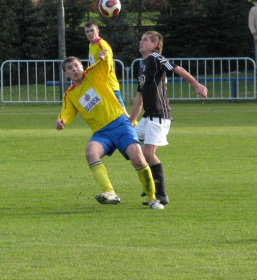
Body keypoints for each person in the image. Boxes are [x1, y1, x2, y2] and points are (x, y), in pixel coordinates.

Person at [55, 52, 164, 210]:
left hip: (120, 124)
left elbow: (105, 65)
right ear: (66, 74)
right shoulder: (70, 95)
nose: (74, 69)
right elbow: (66, 113)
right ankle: (110, 192)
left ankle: (152, 198)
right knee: (90, 151)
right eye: (69, 68)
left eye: (76, 66)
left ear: (82, 66)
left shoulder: (93, 74)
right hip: (101, 133)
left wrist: (103, 58)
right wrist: (61, 122)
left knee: (138, 158)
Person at [129, 31, 208, 206]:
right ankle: (150, 181)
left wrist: (196, 85)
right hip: (148, 117)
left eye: (145, 40)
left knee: (148, 153)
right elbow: (139, 97)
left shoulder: (156, 58)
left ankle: (161, 194)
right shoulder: (141, 65)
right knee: (130, 146)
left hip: (159, 115)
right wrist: (130, 121)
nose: (141, 42)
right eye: (141, 39)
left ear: (155, 45)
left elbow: (176, 68)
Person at [84, 21, 130, 119]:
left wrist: (102, 61)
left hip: (109, 85)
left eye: (92, 30)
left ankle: (138, 132)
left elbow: (108, 67)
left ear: (98, 31)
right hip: (99, 85)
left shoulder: (102, 45)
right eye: (87, 31)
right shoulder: (91, 45)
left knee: (124, 115)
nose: (90, 33)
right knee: (107, 114)